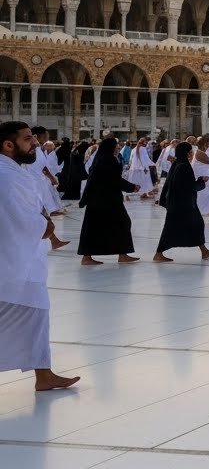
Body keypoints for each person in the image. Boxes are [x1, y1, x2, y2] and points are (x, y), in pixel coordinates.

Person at [0, 121, 80, 391]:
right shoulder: (6, 175)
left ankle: (44, 375)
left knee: (36, 316)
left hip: (21, 263)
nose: (34, 143)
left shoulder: (12, 170)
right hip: (12, 264)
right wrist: (43, 225)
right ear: (8, 146)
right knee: (31, 315)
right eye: (27, 139)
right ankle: (43, 375)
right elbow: (19, 216)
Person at [152, 142, 209, 263]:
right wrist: (201, 181)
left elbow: (172, 183)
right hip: (181, 204)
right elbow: (189, 186)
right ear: (187, 153)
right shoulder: (183, 166)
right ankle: (158, 254)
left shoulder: (178, 163)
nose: (192, 153)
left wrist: (164, 200)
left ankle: (204, 251)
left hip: (180, 203)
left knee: (196, 225)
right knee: (172, 229)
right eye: (190, 151)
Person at [77, 137, 139, 265]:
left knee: (94, 227)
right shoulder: (109, 160)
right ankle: (121, 254)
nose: (117, 147)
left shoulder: (100, 158)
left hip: (98, 200)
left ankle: (89, 256)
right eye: (115, 146)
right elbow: (115, 180)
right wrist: (132, 187)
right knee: (122, 223)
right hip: (107, 200)